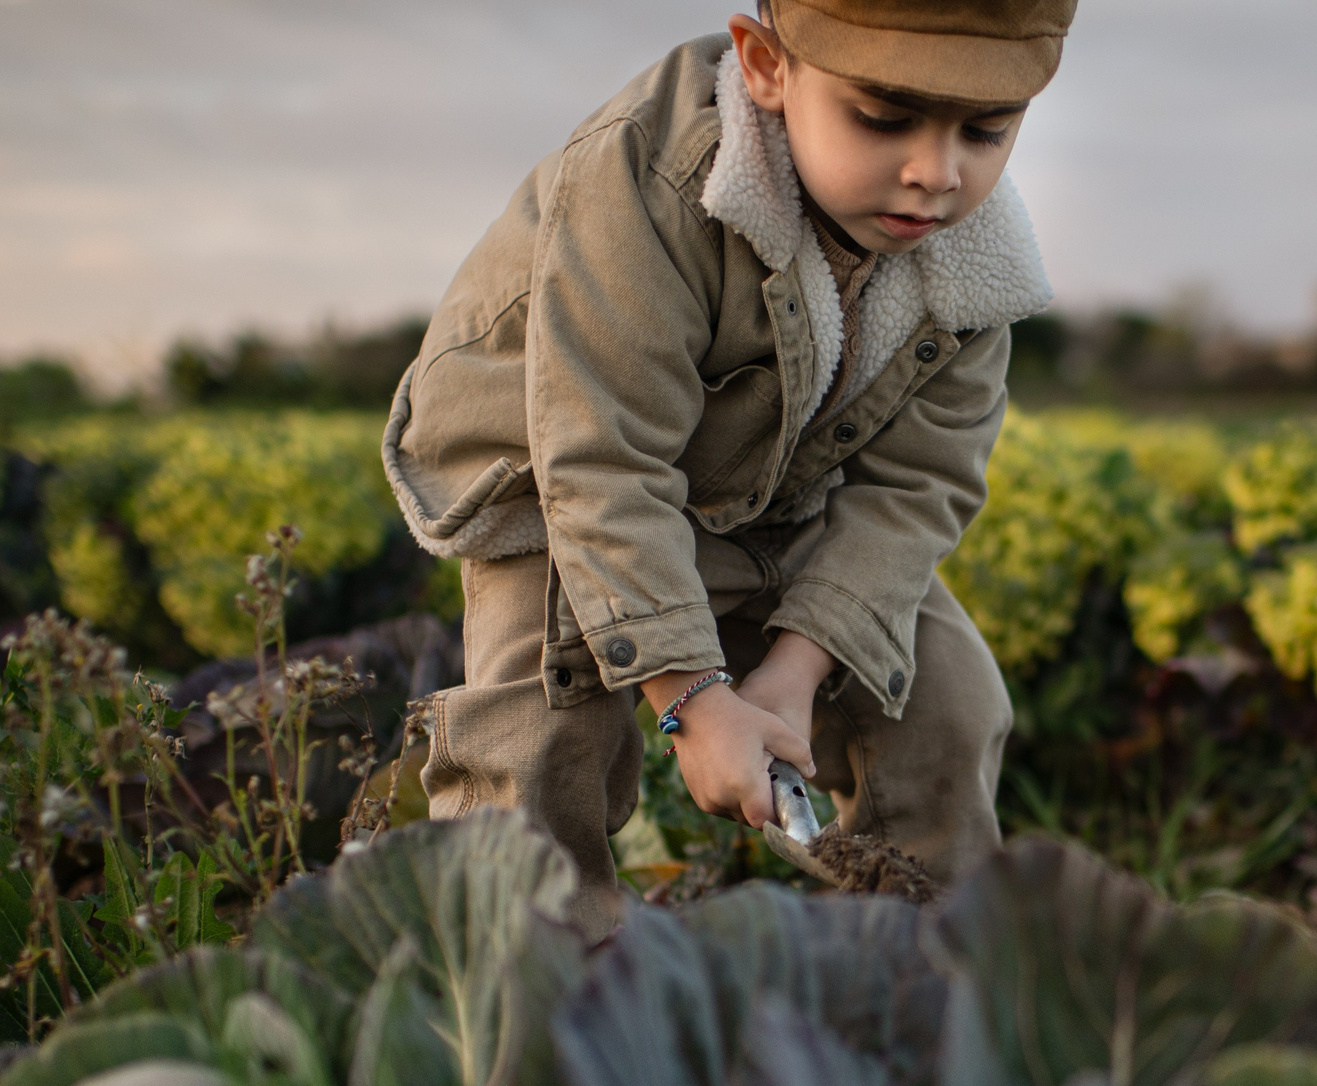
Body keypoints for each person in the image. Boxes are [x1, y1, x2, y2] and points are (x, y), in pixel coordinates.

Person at [384, 0, 1073, 936]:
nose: (936, 174)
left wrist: (795, 667)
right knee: (547, 737)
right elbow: (605, 462)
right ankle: (527, 995)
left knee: (948, 702)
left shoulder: (976, 266)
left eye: (987, 130)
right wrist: (693, 700)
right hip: (556, 486)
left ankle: (928, 972)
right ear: (765, 67)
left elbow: (917, 494)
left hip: (779, 495)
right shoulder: (648, 182)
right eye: (883, 118)